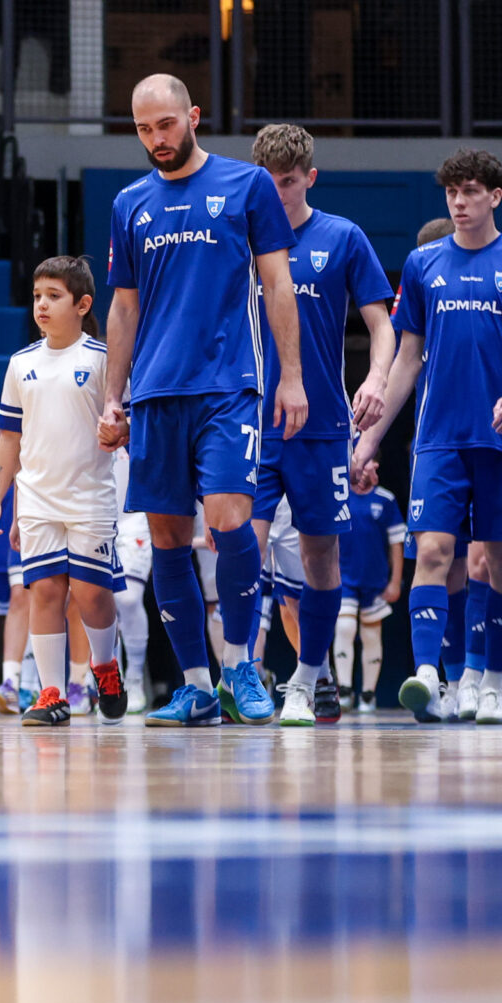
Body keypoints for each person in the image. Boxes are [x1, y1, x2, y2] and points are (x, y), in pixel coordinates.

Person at [99, 75, 302, 726]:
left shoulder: (247, 186)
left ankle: (240, 665)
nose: (156, 139)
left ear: (193, 116)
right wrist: (112, 397)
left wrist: (291, 377)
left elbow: (278, 284)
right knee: (167, 539)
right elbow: (123, 307)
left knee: (228, 521)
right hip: (155, 393)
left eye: (166, 124)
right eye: (144, 129)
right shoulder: (130, 202)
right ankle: (195, 686)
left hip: (228, 385)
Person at [350, 151, 502, 725]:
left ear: (495, 196)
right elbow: (406, 359)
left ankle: (490, 684)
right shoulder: (422, 265)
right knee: (436, 552)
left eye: (469, 192)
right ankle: (429, 676)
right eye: (451, 194)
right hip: (439, 440)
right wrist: (369, 439)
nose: (459, 203)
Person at [245, 125, 396, 725]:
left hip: (322, 425)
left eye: (288, 182)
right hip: (249, 422)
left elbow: (382, 325)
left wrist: (377, 378)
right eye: (268, 183)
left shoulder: (342, 237)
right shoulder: (236, 238)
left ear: (309, 178)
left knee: (320, 560)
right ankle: (238, 672)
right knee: (240, 548)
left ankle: (308, 680)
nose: (278, 194)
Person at [0, 257, 118, 727]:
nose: (42, 304)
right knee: (44, 592)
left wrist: (120, 430)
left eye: (54, 296)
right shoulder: (21, 364)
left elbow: (126, 423)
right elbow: (9, 439)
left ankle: (105, 666)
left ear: (83, 304)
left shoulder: (102, 359)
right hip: (37, 498)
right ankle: (51, 691)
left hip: (90, 497)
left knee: (91, 594)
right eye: (37, 296)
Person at [334, 473, 404, 711]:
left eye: (369, 462)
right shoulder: (340, 495)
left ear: (376, 467)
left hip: (375, 580)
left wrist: (395, 581)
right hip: (344, 578)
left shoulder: (385, 499)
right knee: (344, 627)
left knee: (371, 635)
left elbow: (396, 543)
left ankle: (368, 694)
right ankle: (344, 689)